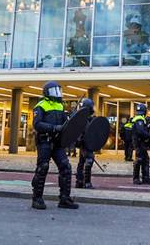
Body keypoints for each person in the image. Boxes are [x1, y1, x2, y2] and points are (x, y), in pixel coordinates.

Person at [31, 81, 78, 210]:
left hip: (57, 143)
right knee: (43, 168)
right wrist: (53, 128)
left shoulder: (60, 106)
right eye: (54, 90)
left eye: (58, 90)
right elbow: (37, 124)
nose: (57, 93)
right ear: (46, 92)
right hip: (44, 141)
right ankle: (37, 199)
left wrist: (72, 121)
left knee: (66, 167)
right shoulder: (40, 105)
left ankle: (64, 199)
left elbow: (65, 124)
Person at [131, 103, 150, 185]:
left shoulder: (137, 118)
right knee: (139, 159)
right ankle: (136, 178)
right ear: (144, 111)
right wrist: (148, 135)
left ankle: (145, 178)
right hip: (139, 142)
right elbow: (140, 131)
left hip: (139, 142)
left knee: (145, 159)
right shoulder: (139, 119)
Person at [75, 98, 96, 189]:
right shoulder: (84, 119)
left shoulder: (83, 118)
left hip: (82, 144)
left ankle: (79, 182)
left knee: (81, 162)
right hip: (86, 143)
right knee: (89, 161)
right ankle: (87, 182)